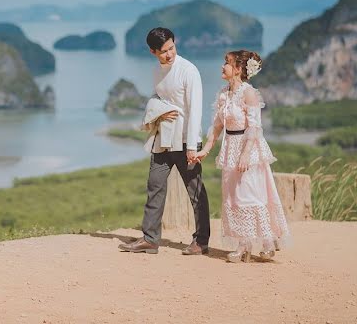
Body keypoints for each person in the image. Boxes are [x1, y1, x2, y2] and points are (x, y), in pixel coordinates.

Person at [118, 27, 210, 255]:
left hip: (185, 140)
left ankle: (201, 241)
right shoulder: (157, 71)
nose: (169, 54)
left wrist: (192, 146)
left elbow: (195, 109)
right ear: (153, 52)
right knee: (155, 185)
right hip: (163, 138)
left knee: (195, 191)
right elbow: (157, 97)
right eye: (164, 51)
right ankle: (150, 239)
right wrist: (158, 112)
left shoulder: (189, 70)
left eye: (172, 48)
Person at [197, 49, 291, 262]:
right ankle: (243, 244)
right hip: (230, 147)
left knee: (250, 193)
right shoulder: (223, 94)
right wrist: (206, 149)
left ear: (238, 69)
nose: (223, 66)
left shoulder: (248, 93)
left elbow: (255, 127)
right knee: (233, 196)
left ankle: (266, 242)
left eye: (227, 63)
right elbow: (217, 126)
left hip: (248, 148)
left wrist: (246, 154)